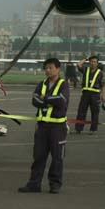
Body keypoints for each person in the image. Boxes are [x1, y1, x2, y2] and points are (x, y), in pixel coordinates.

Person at [18, 57, 70, 195]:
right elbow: (34, 100)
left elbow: (61, 100)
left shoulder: (63, 84)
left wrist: (45, 98)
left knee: (57, 158)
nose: (47, 70)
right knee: (39, 157)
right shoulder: (42, 84)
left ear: (58, 69)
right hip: (42, 127)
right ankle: (34, 184)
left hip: (57, 128)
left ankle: (55, 184)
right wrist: (48, 101)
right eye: (46, 68)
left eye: (50, 68)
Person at [74, 55, 105, 134]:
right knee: (81, 111)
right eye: (91, 62)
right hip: (85, 94)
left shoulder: (100, 73)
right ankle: (78, 129)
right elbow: (78, 65)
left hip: (95, 94)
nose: (93, 63)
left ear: (97, 63)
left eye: (94, 62)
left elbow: (102, 85)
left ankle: (93, 129)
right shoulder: (86, 70)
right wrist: (86, 58)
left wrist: (103, 95)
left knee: (95, 112)